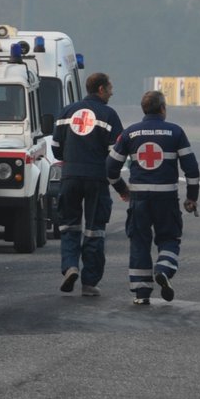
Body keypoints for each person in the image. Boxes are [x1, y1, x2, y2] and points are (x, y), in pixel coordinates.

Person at [108, 89, 200, 305]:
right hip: (166, 198)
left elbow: (110, 168)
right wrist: (192, 197)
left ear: (143, 109)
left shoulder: (129, 133)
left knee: (139, 241)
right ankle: (164, 268)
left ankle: (141, 293)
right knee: (169, 237)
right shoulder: (176, 132)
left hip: (139, 198)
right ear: (162, 109)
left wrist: (122, 189)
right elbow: (192, 169)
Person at [53, 71, 126, 297]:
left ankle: (70, 266)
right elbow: (116, 155)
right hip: (96, 178)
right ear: (101, 89)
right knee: (95, 230)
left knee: (69, 226)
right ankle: (89, 283)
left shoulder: (67, 111)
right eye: (110, 87)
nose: (112, 92)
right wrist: (122, 188)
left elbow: (56, 147)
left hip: (70, 177)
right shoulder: (109, 115)